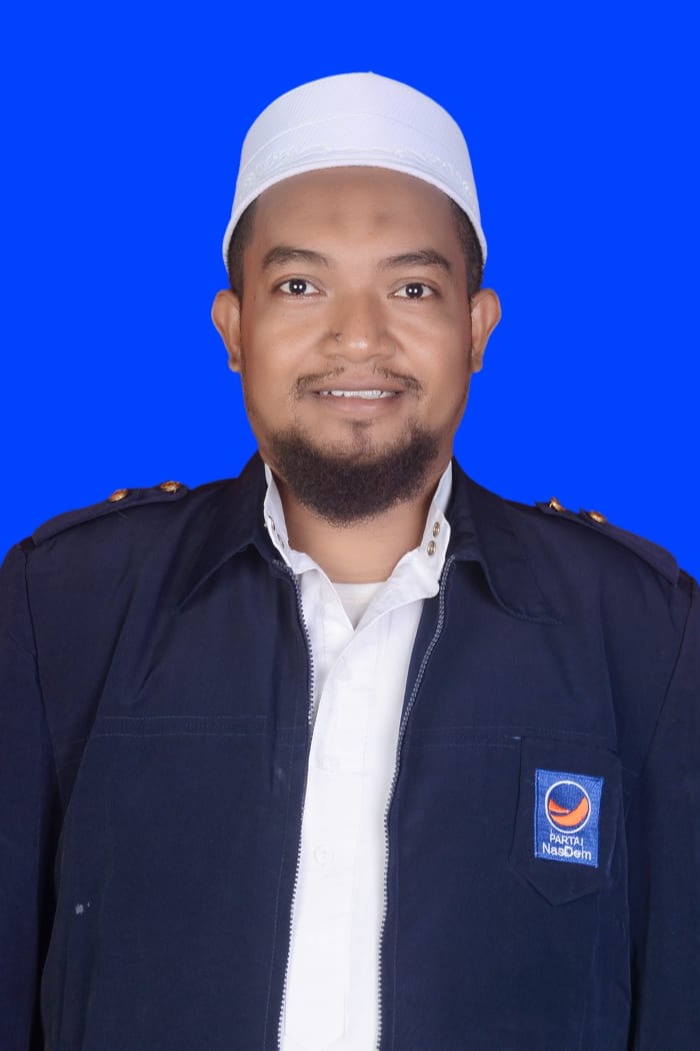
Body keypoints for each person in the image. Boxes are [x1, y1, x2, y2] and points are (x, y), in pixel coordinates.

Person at [1, 72, 698, 1051]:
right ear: (235, 328)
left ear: (476, 329)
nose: (358, 336)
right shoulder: (62, 605)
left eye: (412, 288)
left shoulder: (642, 630)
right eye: (301, 285)